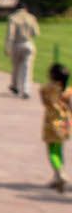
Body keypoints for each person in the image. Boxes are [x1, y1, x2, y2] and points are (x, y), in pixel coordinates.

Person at [41, 63, 71, 193]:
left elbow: (45, 101)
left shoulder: (46, 88)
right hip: (64, 122)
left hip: (52, 122)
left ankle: (60, 173)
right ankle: (57, 176)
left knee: (51, 151)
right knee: (59, 150)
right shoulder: (68, 91)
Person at [6, 4, 40, 99]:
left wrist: (7, 47)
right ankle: (26, 90)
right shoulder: (31, 17)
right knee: (27, 68)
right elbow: (36, 33)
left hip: (17, 44)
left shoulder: (13, 18)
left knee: (16, 67)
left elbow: (10, 35)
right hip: (28, 43)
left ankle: (15, 86)